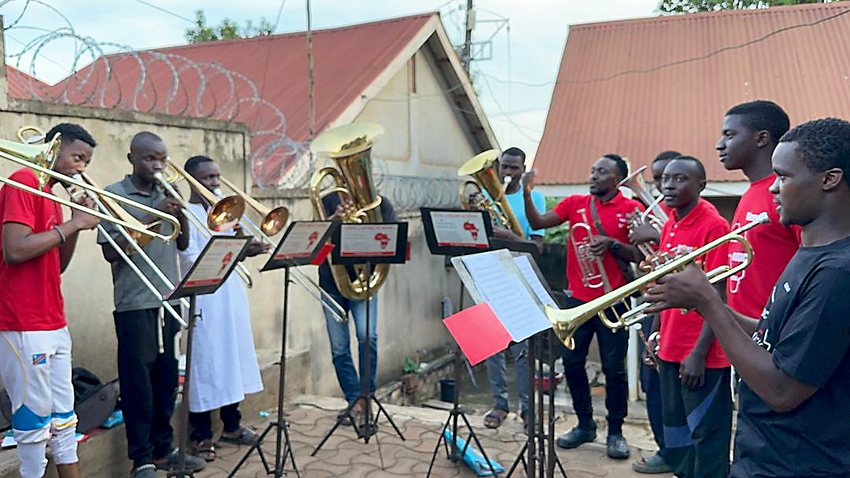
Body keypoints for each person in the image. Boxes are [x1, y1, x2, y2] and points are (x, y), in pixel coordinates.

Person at [643, 118, 850, 477]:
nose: (774, 189)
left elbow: (782, 391)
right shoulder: (811, 251)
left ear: (829, 180)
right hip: (766, 453)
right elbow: (772, 336)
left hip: (798, 463)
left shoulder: (837, 273)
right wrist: (700, 301)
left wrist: (708, 302)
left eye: (783, 177)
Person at [97, 132, 204, 478]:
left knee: (166, 380)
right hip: (135, 302)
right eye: (149, 158)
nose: (157, 165)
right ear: (132, 159)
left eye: (161, 158)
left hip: (168, 300)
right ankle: (140, 458)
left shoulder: (164, 193)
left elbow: (182, 243)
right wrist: (154, 214)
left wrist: (180, 212)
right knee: (138, 385)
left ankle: (163, 449)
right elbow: (111, 251)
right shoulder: (114, 194)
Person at [523, 154, 643, 459]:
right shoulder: (575, 203)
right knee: (572, 364)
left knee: (614, 369)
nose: (593, 176)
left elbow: (642, 255)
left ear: (617, 179)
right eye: (592, 170)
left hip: (614, 298)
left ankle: (615, 431)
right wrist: (526, 192)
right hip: (577, 299)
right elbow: (538, 223)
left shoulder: (631, 209)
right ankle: (585, 424)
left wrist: (612, 244)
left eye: (601, 172)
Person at [0, 123, 99, 478]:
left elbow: (58, 265)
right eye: (77, 157)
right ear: (55, 148)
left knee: (64, 417)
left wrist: (75, 222)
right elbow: (14, 250)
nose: (81, 168)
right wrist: (73, 225)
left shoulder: (51, 195)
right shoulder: (23, 181)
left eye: (86, 162)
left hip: (53, 319)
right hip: (22, 320)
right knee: (33, 418)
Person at [646, 156, 732, 478]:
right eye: (665, 179)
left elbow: (719, 295)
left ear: (701, 185)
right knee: (677, 434)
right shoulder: (670, 221)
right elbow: (664, 286)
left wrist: (698, 353)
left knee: (706, 436)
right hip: (670, 346)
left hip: (700, 354)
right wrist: (655, 334)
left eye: (680, 179)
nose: (668, 186)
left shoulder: (714, 225)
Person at [179, 155, 268, 461]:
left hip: (230, 295)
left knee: (232, 357)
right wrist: (234, 251)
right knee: (205, 362)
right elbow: (190, 259)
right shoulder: (185, 212)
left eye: (217, 177)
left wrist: (247, 245)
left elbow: (234, 251)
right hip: (203, 297)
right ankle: (201, 434)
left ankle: (232, 425)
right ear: (192, 181)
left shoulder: (226, 212)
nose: (215, 183)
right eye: (208, 178)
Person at [716, 101, 800, 323]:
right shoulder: (750, 193)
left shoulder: (787, 194)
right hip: (745, 333)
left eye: (729, 135)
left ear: (761, 139)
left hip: (776, 332)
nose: (719, 145)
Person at [480, 147, 545, 430]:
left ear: (523, 169)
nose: (507, 173)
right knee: (492, 346)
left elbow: (538, 246)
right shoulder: (486, 198)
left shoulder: (535, 198)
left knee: (522, 350)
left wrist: (510, 236)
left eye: (514, 168)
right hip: (490, 275)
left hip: (520, 278)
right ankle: (499, 404)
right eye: (504, 167)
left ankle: (527, 409)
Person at [319, 191, 396, 424]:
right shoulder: (328, 200)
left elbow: (392, 242)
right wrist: (334, 220)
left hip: (364, 284)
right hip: (331, 283)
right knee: (339, 348)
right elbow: (316, 240)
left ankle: (367, 397)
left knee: (367, 337)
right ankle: (354, 401)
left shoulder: (380, 204)